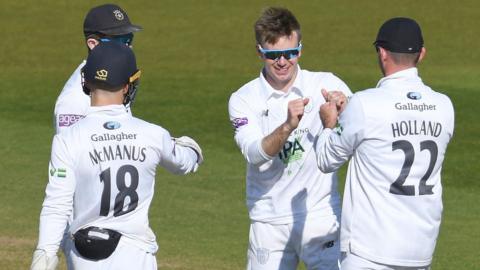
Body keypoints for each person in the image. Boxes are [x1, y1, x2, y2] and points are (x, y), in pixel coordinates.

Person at [30, 42, 203, 270]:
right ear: (126, 86)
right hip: (136, 256)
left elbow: (57, 204)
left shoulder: (67, 139)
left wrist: (45, 254)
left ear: (86, 82)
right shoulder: (152, 134)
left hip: (84, 258)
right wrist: (191, 149)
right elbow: (184, 162)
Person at [316, 17, 454, 270]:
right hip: (420, 250)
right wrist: (352, 115)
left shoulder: (364, 104)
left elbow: (326, 159)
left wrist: (330, 122)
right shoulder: (445, 106)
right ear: (421, 54)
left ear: (382, 53)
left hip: (370, 251)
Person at [228, 7, 351, 269]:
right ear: (259, 52)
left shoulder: (325, 83)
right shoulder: (243, 99)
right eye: (273, 55)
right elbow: (254, 154)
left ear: (300, 50)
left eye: (291, 53)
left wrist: (346, 108)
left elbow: (362, 127)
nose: (283, 61)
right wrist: (287, 127)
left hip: (321, 216)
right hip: (269, 221)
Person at [54, 3, 142, 134]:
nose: (128, 48)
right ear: (93, 44)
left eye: (129, 40)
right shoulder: (74, 100)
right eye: (120, 41)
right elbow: (73, 150)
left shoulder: (115, 78)